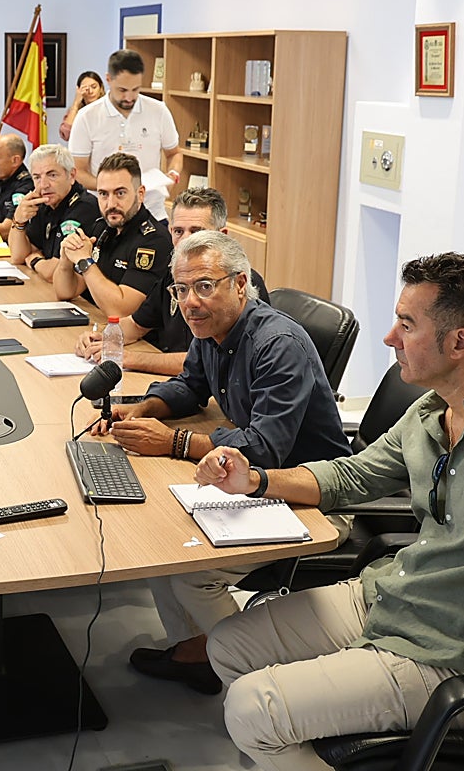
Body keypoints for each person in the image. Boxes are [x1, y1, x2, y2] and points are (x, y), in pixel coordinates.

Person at [194, 252, 464, 771]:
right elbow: (350, 476)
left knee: (252, 710)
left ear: (459, 342)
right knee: (227, 646)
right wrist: (257, 480)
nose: (389, 338)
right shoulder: (431, 412)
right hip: (394, 597)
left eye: (406, 324)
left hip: (461, 655)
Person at [99, 230, 349, 694]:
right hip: (250, 479)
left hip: (309, 491)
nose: (190, 301)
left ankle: (253, 672)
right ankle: (198, 653)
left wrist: (174, 443)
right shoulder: (211, 330)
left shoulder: (277, 343)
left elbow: (267, 445)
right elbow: (190, 386)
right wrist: (143, 410)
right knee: (161, 549)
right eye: (181, 289)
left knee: (194, 572)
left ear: (240, 283)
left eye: (205, 286)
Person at [73, 188, 270, 376]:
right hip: (177, 386)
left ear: (222, 235)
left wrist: (130, 358)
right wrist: (103, 337)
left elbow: (206, 362)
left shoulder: (236, 284)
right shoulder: (172, 276)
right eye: (178, 231)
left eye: (196, 232)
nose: (185, 241)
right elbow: (136, 325)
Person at [53, 152, 173, 317]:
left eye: (120, 193)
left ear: (140, 194)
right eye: (103, 194)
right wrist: (66, 259)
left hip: (135, 340)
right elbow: (65, 292)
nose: (111, 204)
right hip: (96, 324)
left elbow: (120, 310)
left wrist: (85, 262)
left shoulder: (153, 241)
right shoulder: (101, 227)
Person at [69, 50, 183, 220]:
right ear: (108, 80)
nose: (129, 97)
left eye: (135, 89)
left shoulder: (158, 110)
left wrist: (173, 176)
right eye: (122, 90)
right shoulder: (87, 116)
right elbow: (78, 171)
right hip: (104, 215)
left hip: (151, 211)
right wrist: (115, 190)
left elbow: (174, 153)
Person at [8, 144, 100, 283]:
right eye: (37, 177)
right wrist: (19, 220)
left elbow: (54, 273)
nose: (43, 185)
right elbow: (18, 256)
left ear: (72, 175)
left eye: (52, 175)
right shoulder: (44, 202)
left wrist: (34, 260)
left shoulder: (84, 208)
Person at [59, 70, 104, 142]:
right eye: (86, 88)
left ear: (101, 89)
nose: (90, 91)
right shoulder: (76, 110)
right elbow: (66, 134)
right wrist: (76, 103)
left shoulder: (107, 107)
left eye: (94, 87)